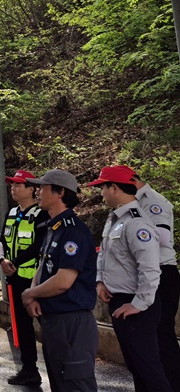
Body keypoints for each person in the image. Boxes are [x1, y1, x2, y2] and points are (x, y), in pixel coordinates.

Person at [90, 166, 172, 392]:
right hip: (119, 301)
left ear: (114, 188)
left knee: (150, 371)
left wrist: (138, 304)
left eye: (103, 187)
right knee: (136, 367)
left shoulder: (137, 222)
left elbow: (150, 269)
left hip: (136, 306)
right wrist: (100, 281)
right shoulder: (115, 217)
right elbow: (104, 254)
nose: (101, 193)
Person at [21, 169, 97, 392]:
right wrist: (33, 295)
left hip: (71, 321)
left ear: (60, 192)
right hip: (54, 319)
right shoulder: (53, 227)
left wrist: (29, 294)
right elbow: (43, 266)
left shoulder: (73, 231)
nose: (38, 192)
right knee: (60, 383)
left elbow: (64, 280)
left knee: (76, 383)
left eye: (43, 188)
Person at [129, 167, 180, 391]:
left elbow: (163, 237)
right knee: (147, 336)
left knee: (162, 334)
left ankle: (173, 384)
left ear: (131, 181)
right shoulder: (131, 203)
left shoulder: (152, 201)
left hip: (162, 272)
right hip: (145, 271)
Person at [0, 170, 48, 386]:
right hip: (14, 280)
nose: (14, 188)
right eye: (12, 185)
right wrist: (2, 260)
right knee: (22, 327)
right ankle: (29, 369)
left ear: (32, 189)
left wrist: (15, 262)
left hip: (36, 281)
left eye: (18, 185)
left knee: (47, 325)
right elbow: (2, 240)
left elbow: (39, 245)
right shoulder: (12, 212)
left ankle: (60, 369)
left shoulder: (41, 214)